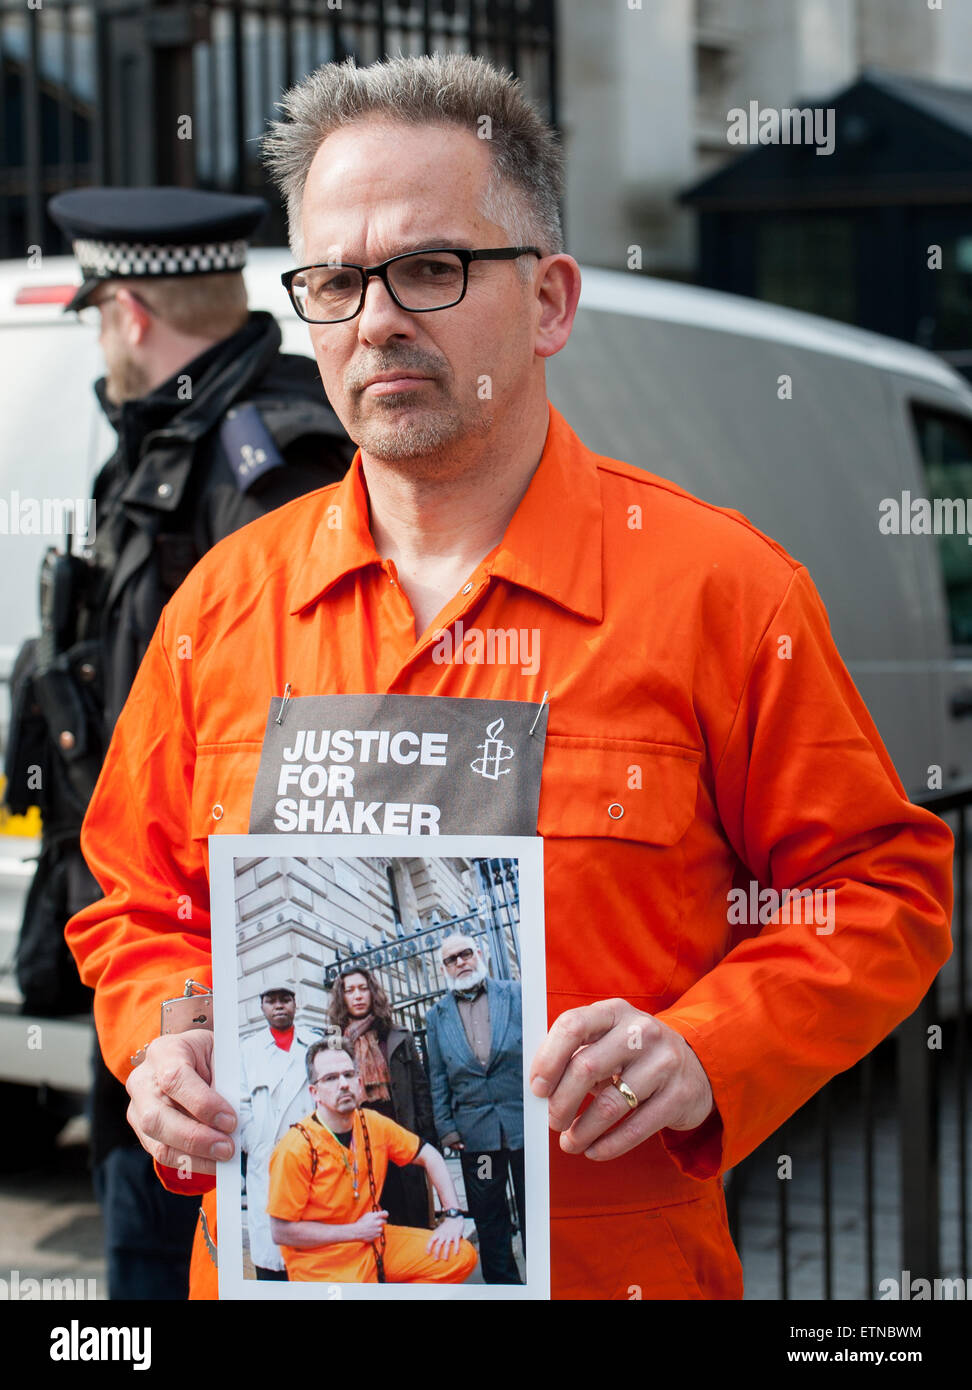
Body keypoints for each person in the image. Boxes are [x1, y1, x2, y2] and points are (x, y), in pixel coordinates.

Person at [65, 54, 953, 1300]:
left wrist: (705, 1047)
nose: (376, 318)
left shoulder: (721, 594)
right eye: (334, 279)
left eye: (431, 268)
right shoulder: (225, 605)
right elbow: (135, 905)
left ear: (548, 302)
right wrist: (166, 1035)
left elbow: (880, 888)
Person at [3, 184, 354, 1299]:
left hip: (223, 997)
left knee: (159, 1271)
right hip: (149, 965)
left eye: (100, 311)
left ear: (131, 311)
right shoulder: (164, 446)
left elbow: (310, 755)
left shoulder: (274, 460)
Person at [267, 1041, 476, 1284]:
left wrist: (452, 1215)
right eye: (331, 1078)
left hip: (373, 1244)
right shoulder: (295, 1147)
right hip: (322, 1263)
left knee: (461, 1256)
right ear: (315, 1092)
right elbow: (281, 1231)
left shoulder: (372, 1122)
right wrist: (354, 1231)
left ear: (358, 1082)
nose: (343, 1084)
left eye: (348, 1074)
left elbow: (430, 1155)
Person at [425, 934, 524, 1284]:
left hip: (521, 1124)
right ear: (444, 968)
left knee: (533, 1207)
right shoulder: (436, 1017)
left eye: (466, 953)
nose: (461, 962)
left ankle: (548, 1280)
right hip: (476, 1137)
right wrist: (447, 1129)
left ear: (479, 954)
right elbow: (436, 1076)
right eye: (452, 959)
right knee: (489, 1214)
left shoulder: (514, 994)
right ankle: (504, 1285)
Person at [328, 965, 436, 1228]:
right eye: (350, 990)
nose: (357, 996)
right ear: (342, 997)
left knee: (414, 1213)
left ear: (372, 992)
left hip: (402, 1135)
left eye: (363, 988)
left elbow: (420, 1088)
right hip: (360, 1139)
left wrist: (427, 1139)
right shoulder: (334, 1043)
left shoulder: (396, 1035)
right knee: (377, 1212)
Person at [239, 985, 323, 1279]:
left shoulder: (314, 1045)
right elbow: (240, 1103)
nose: (278, 1006)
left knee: (310, 1253)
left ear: (295, 1004)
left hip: (310, 1156)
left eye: (285, 1000)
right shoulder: (247, 1050)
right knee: (272, 1257)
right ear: (261, 1007)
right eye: (271, 1001)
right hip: (268, 1160)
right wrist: (256, 1142)